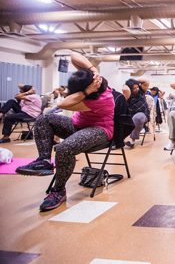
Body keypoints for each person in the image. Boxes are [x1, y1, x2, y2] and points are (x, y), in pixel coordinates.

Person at [15, 52, 114, 212]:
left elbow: (63, 104)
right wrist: (92, 68)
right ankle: (44, 161)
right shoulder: (98, 81)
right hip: (78, 125)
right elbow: (73, 55)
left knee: (64, 148)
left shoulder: (102, 99)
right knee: (44, 119)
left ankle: (58, 190)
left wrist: (85, 92)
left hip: (100, 131)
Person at [122, 77, 150, 148]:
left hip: (143, 114)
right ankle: (118, 140)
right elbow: (124, 89)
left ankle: (132, 141)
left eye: (137, 87)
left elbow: (146, 81)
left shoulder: (141, 91)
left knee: (138, 117)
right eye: (134, 88)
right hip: (131, 115)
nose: (136, 89)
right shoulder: (128, 94)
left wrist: (134, 81)